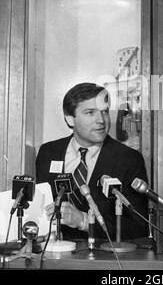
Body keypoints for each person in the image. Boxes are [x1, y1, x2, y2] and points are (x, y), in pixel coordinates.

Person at [35, 82, 149, 241]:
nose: (101, 120)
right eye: (90, 112)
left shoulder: (129, 159)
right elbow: (41, 212)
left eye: (105, 112)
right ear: (70, 119)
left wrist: (83, 221)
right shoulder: (48, 153)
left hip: (105, 260)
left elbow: (139, 227)